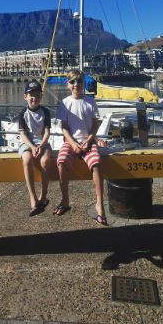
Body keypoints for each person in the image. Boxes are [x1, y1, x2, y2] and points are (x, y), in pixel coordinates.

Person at [54, 69, 108, 225]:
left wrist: (89, 140)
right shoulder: (64, 103)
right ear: (68, 85)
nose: (76, 84)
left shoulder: (90, 101)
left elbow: (95, 124)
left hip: (89, 142)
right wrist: (73, 144)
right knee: (61, 162)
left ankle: (99, 204)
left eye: (79, 81)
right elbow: (64, 127)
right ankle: (65, 200)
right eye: (72, 82)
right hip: (70, 143)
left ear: (84, 83)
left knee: (96, 164)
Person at [16, 80, 52, 216]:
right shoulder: (22, 113)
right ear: (25, 97)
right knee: (26, 160)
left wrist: (41, 146)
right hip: (28, 143)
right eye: (31, 95)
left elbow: (47, 132)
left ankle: (43, 196)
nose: (34, 98)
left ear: (41, 97)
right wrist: (32, 147)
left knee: (45, 161)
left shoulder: (45, 112)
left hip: (42, 142)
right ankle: (33, 198)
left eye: (37, 95)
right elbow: (23, 134)